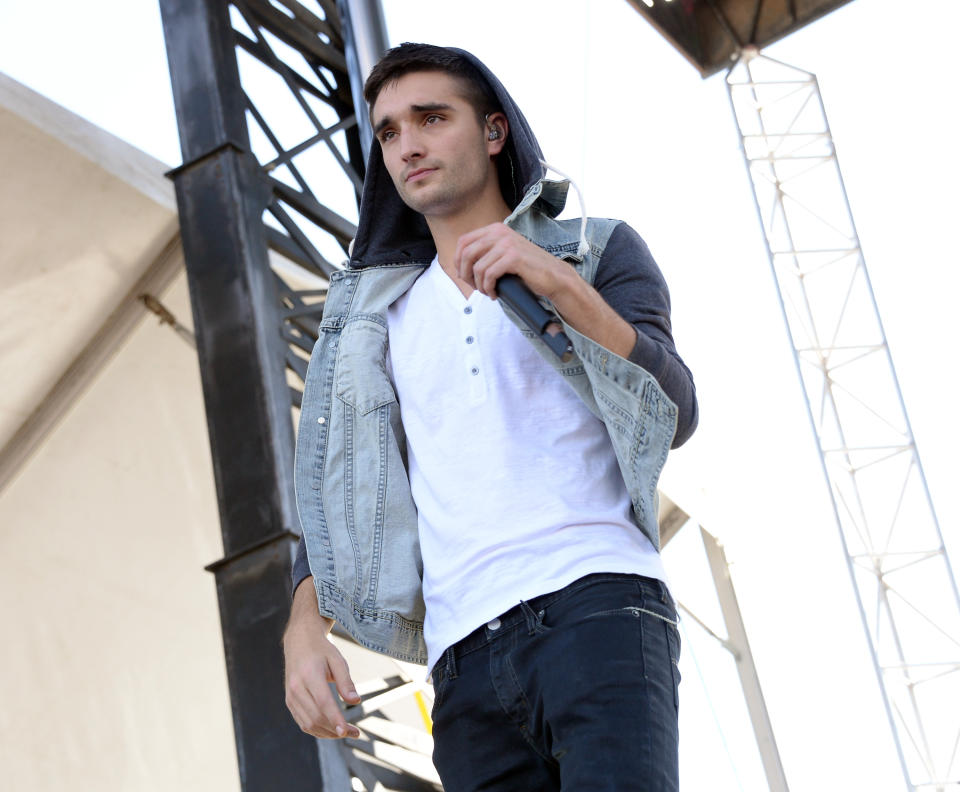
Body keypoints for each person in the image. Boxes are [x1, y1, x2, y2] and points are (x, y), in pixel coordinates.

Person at [283, 42, 698, 791]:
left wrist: (558, 286)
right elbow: (338, 488)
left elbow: (677, 409)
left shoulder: (596, 252)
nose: (407, 144)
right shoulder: (371, 324)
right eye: (388, 132)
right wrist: (302, 626)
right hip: (463, 661)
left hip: (598, 604)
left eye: (431, 118)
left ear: (494, 131)